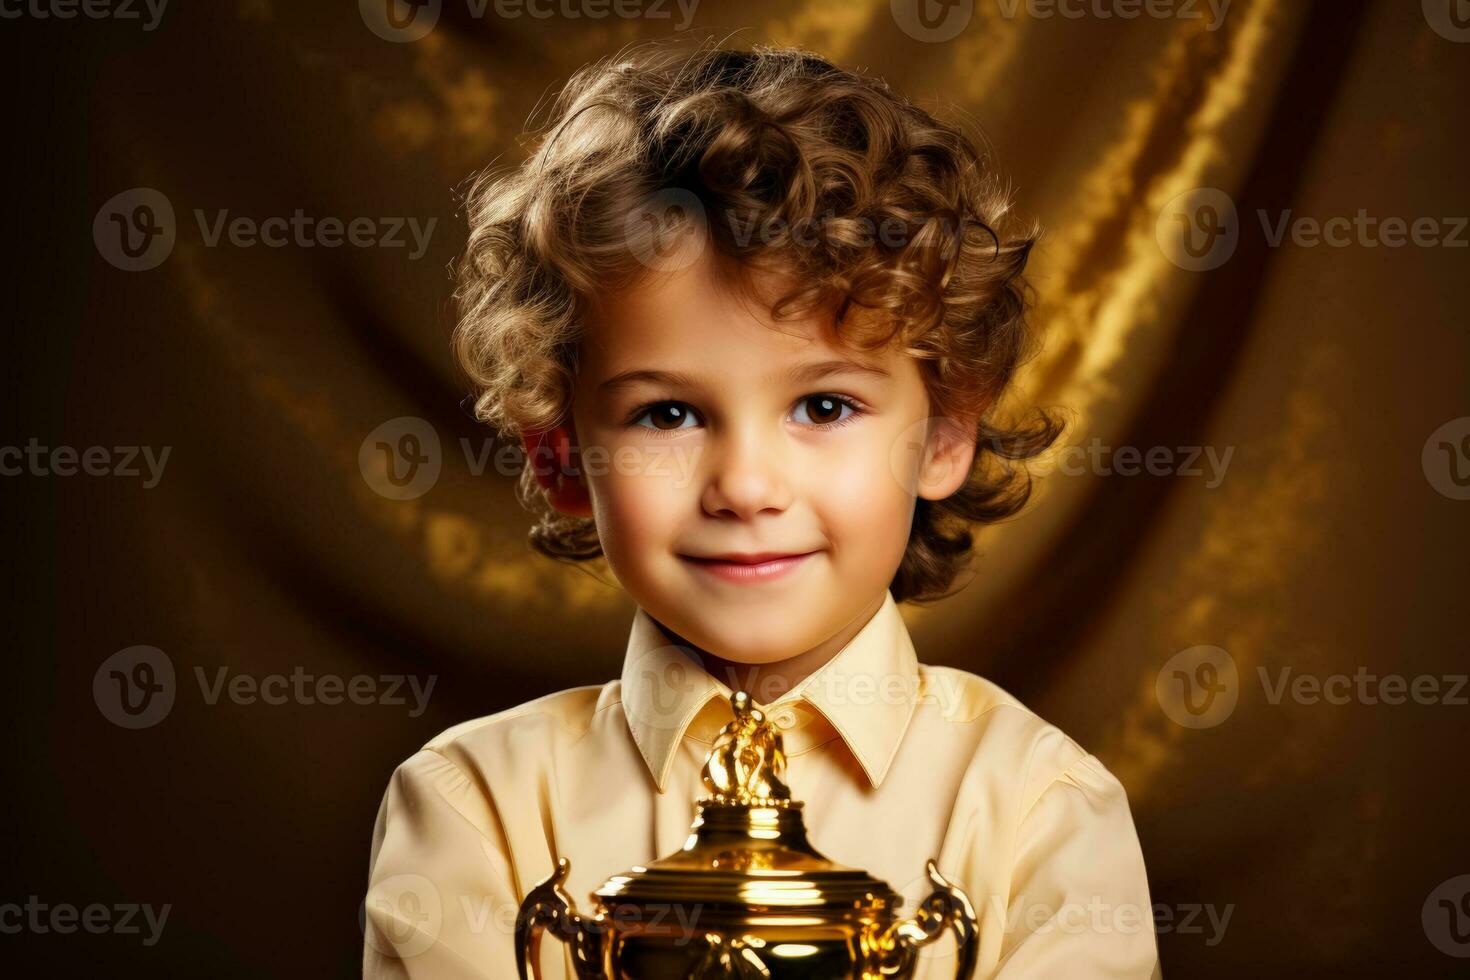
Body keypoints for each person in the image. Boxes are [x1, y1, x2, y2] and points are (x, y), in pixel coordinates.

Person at [363, 40, 1159, 979]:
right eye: (668, 413)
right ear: (561, 454)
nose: (744, 487)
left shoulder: (1042, 811)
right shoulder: (474, 809)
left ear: (945, 433)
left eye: (824, 407)